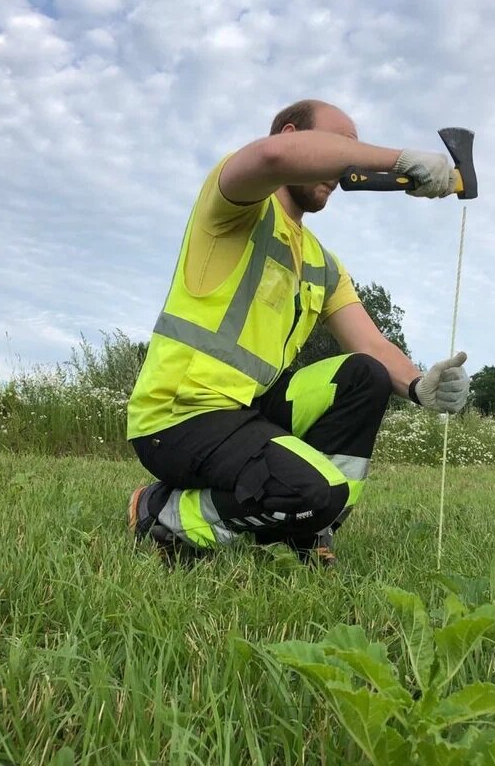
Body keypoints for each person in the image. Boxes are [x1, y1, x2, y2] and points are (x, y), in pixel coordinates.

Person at [125, 99, 469, 566]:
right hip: (181, 416)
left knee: (364, 375)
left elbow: (370, 344)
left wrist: (417, 385)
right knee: (317, 489)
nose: (347, 161)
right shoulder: (233, 203)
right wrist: (396, 159)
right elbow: (271, 158)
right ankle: (162, 512)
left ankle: (305, 528)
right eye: (338, 146)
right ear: (291, 135)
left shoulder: (323, 263)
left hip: (250, 411)